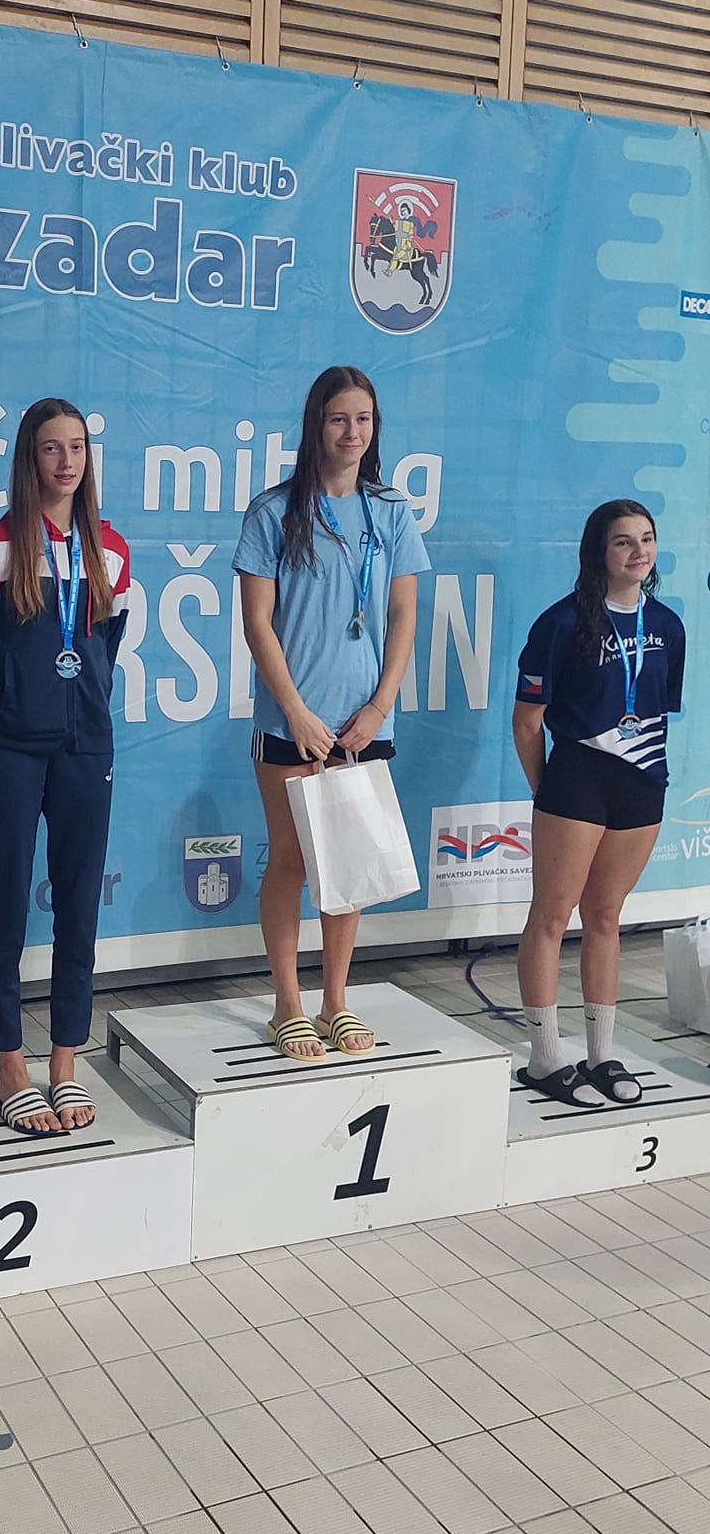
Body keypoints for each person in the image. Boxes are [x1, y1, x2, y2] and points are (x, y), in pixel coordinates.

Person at [234, 366, 430, 1060]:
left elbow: (403, 616)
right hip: (291, 721)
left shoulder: (391, 512)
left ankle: (335, 1001)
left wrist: (379, 706)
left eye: (363, 419)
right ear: (316, 425)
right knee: (290, 859)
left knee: (347, 864)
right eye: (338, 418)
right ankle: (287, 1005)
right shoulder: (273, 512)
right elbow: (257, 623)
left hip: (362, 722)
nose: (352, 432)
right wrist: (295, 711)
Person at [0, 398, 130, 1134]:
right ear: (29, 457)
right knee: (4, 905)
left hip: (86, 748)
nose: (66, 461)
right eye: (52, 448)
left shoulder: (109, 549)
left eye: (77, 447)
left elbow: (104, 650)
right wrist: (8, 722)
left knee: (79, 908)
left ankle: (64, 1064)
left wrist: (75, 714)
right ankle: (9, 1068)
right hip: (10, 751)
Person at [513, 499, 685, 1108]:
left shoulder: (667, 625)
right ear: (598, 552)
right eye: (623, 542)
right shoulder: (561, 623)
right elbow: (527, 721)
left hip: (643, 782)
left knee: (607, 917)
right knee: (551, 916)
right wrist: (549, 791)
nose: (639, 552)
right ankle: (545, 1056)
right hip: (577, 779)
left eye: (647, 539)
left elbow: (659, 708)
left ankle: (601, 1054)